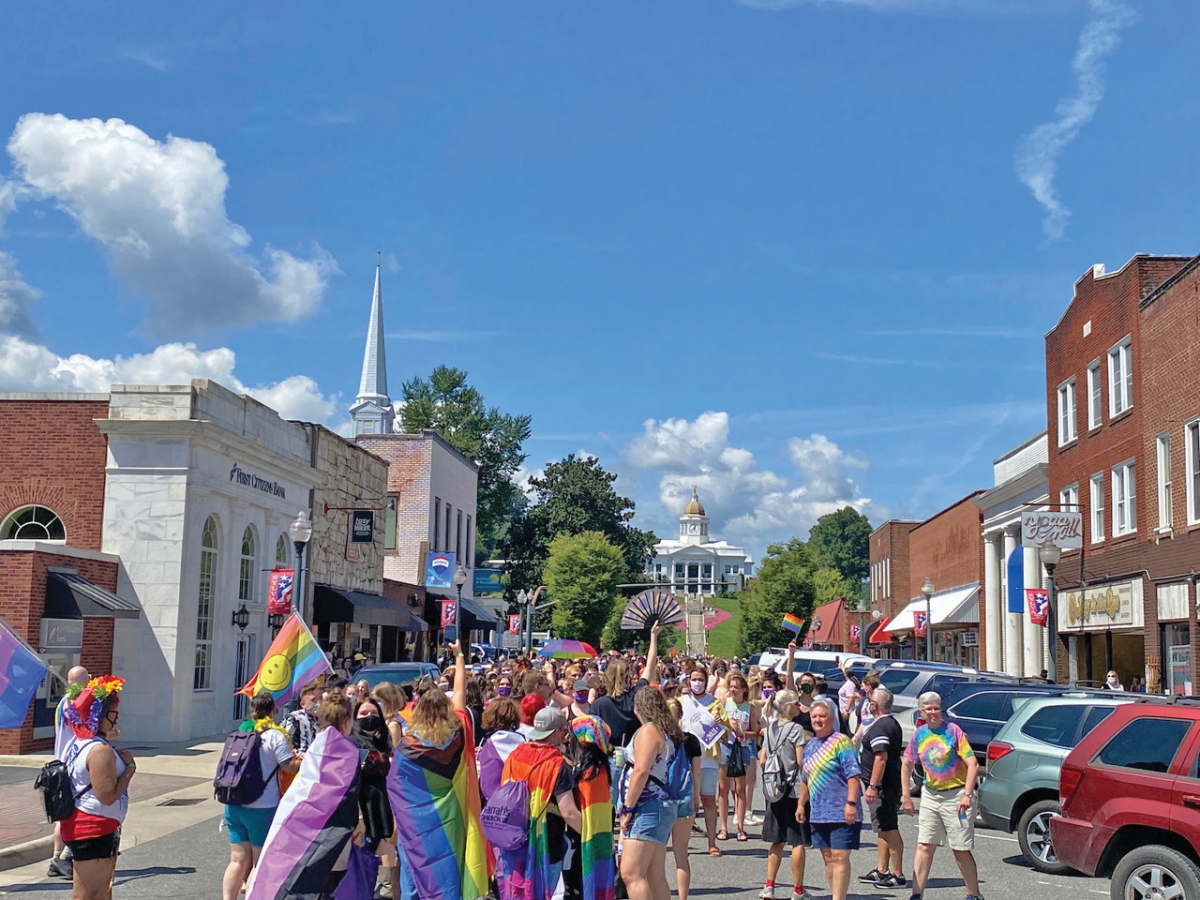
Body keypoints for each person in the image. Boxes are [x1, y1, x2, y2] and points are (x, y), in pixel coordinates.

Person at [390, 641, 493, 900]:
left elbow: (395, 785)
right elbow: (460, 693)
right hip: (453, 818)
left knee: (414, 873)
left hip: (413, 823)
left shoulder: (406, 746)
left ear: (418, 712)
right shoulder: (460, 730)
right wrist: (459, 656)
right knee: (449, 870)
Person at [901, 692, 981, 900]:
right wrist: (905, 796)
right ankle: (916, 894)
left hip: (957, 796)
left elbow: (973, 764)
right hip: (931, 795)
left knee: (959, 849)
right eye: (929, 708)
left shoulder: (953, 731)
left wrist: (967, 794)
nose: (934, 712)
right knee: (924, 845)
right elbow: (907, 764)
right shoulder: (919, 734)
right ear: (922, 711)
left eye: (936, 707)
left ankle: (973, 894)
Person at [497, 706, 584, 900]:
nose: (566, 735)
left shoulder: (515, 756)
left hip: (514, 840)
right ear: (555, 732)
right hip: (544, 843)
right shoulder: (557, 764)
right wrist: (592, 834)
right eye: (564, 731)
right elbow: (569, 812)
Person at [59, 676, 133, 900]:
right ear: (99, 716)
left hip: (97, 825)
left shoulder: (83, 744)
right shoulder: (99, 751)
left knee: (102, 892)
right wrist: (129, 769)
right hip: (92, 826)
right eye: (113, 713)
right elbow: (107, 795)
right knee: (88, 894)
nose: (116, 718)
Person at [222, 692, 300, 900]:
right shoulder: (274, 735)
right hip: (262, 806)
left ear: (251, 711)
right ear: (273, 711)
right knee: (259, 862)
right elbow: (290, 767)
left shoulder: (239, 733)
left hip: (234, 803)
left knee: (237, 860)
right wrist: (305, 758)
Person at [618, 686, 680, 900]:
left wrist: (628, 808)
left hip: (647, 806)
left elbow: (641, 771)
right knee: (654, 876)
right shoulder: (663, 732)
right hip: (660, 806)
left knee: (631, 873)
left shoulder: (648, 731)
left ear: (639, 706)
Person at [796, 698, 860, 900]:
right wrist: (800, 804)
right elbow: (806, 779)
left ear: (831, 719)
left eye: (822, 716)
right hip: (818, 811)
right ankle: (835, 894)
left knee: (840, 856)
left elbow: (853, 775)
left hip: (842, 810)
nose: (818, 720)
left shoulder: (841, 741)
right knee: (828, 858)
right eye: (814, 716)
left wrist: (851, 803)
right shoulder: (810, 746)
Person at [757, 689, 808, 900]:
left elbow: (762, 759)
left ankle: (769, 886)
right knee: (797, 841)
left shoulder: (769, 729)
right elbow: (801, 761)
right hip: (794, 789)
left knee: (776, 841)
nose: (799, 707)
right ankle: (798, 890)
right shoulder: (796, 729)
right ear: (788, 706)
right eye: (796, 703)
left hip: (774, 790)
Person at [857, 687, 906, 891]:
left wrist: (872, 786)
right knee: (882, 828)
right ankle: (882, 869)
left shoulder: (882, 726)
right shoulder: (888, 723)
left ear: (874, 705)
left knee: (889, 828)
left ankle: (898, 874)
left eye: (870, 700)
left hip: (883, 786)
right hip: (885, 785)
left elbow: (880, 757)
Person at [565, 715, 616, 900]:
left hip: (585, 831)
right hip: (602, 828)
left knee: (583, 877)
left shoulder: (588, 770)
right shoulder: (601, 764)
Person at [48, 664, 91, 879]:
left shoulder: (64, 702)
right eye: (88, 678)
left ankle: (57, 858)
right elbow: (85, 730)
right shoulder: (74, 703)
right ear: (82, 680)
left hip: (63, 762)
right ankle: (64, 856)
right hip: (72, 763)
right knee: (73, 812)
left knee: (63, 813)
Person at [678, 664, 721, 857]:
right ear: (688, 681)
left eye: (701, 679)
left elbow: (727, 735)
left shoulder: (715, 703)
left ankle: (712, 842)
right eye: (694, 679)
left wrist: (721, 725)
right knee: (687, 803)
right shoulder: (680, 702)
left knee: (708, 800)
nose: (697, 683)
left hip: (709, 760)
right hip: (686, 760)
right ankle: (683, 843)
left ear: (706, 681)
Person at [666, 699, 703, 900]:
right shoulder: (692, 740)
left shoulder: (658, 739)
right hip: (684, 797)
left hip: (661, 799)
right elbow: (696, 774)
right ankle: (682, 898)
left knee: (656, 857)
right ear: (681, 715)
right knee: (681, 855)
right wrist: (696, 797)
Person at [718, 671, 759, 842]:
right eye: (731, 687)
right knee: (723, 788)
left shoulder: (750, 708)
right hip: (725, 746)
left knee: (740, 788)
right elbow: (714, 727)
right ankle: (723, 828)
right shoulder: (722, 704)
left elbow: (755, 732)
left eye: (736, 687)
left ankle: (740, 827)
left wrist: (743, 731)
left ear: (744, 689)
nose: (733, 690)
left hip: (741, 748)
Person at [477, 696, 525, 802]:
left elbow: (482, 778)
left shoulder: (487, 743)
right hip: (519, 800)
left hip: (494, 803)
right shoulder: (523, 741)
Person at [284, 681, 322, 754]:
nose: (318, 703)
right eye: (313, 700)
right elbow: (285, 741)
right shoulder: (295, 718)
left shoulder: (322, 719)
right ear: (303, 704)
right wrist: (297, 753)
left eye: (319, 699)